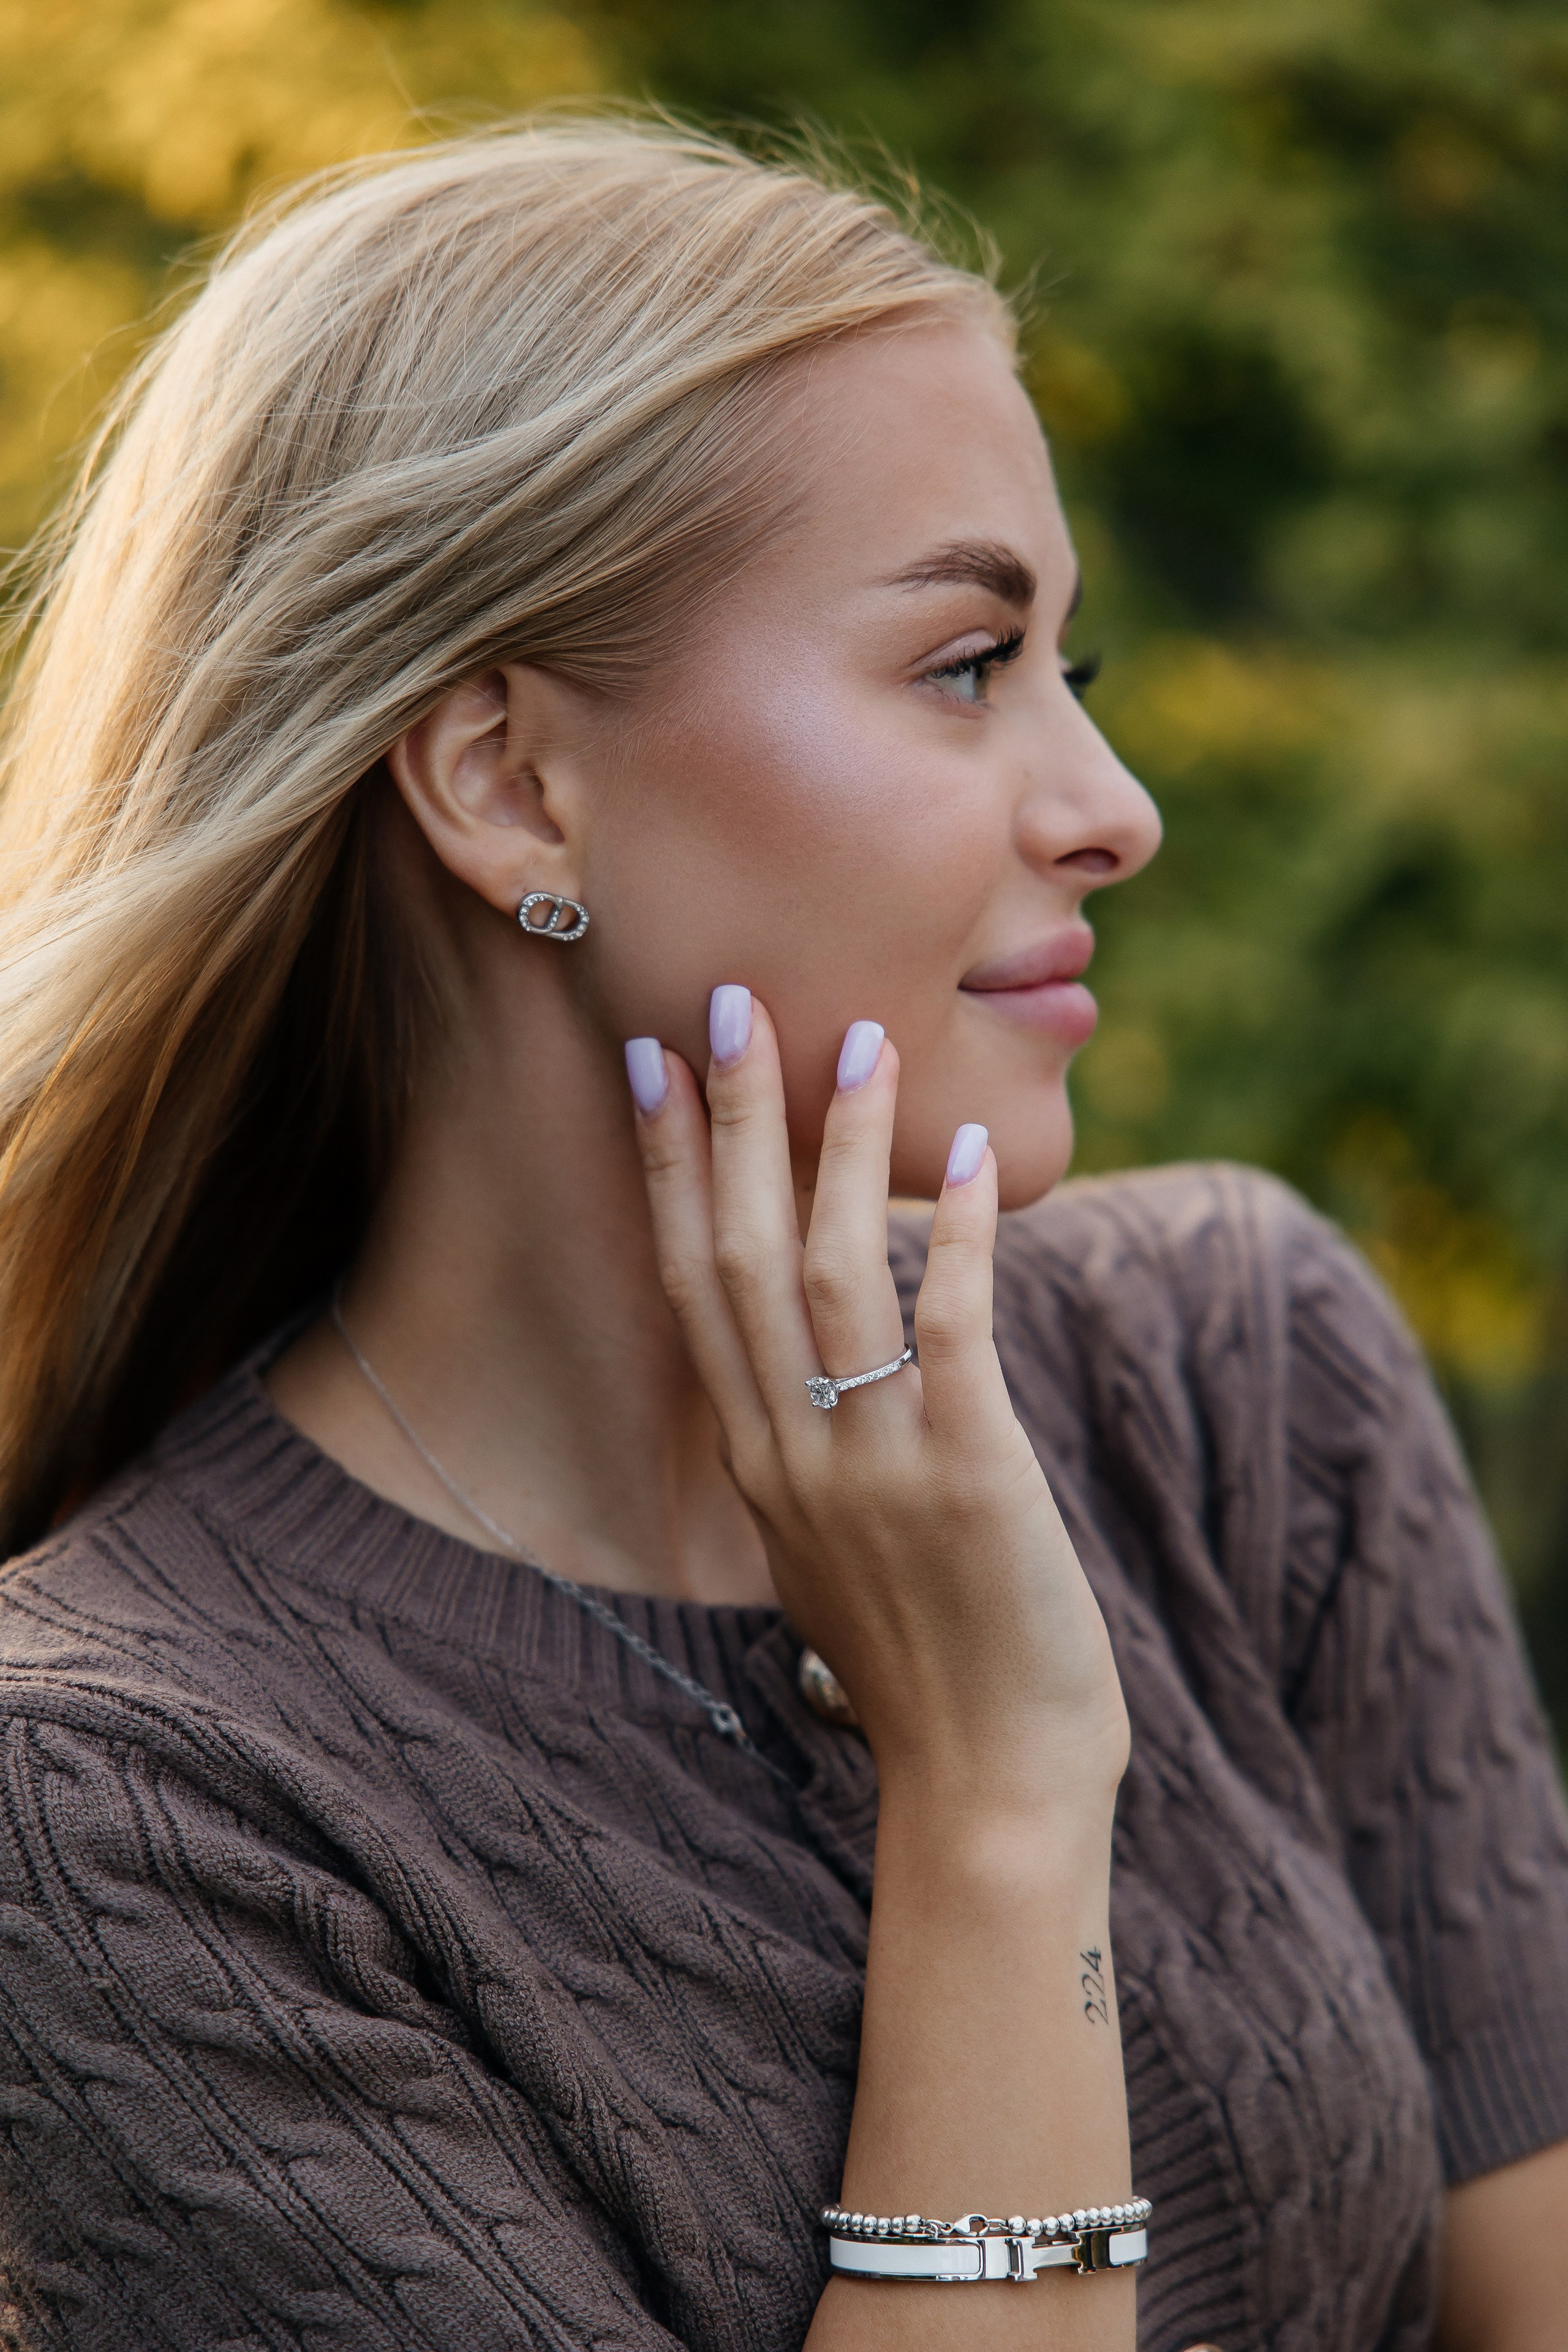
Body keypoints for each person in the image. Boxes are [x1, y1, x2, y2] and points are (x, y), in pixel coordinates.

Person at [0, 118, 1562, 2352]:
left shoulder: (1235, 1377)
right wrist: (1001, 1789)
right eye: (964, 665)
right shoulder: (119, 1809)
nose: (1111, 812)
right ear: (512, 783)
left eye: (1073, 676)